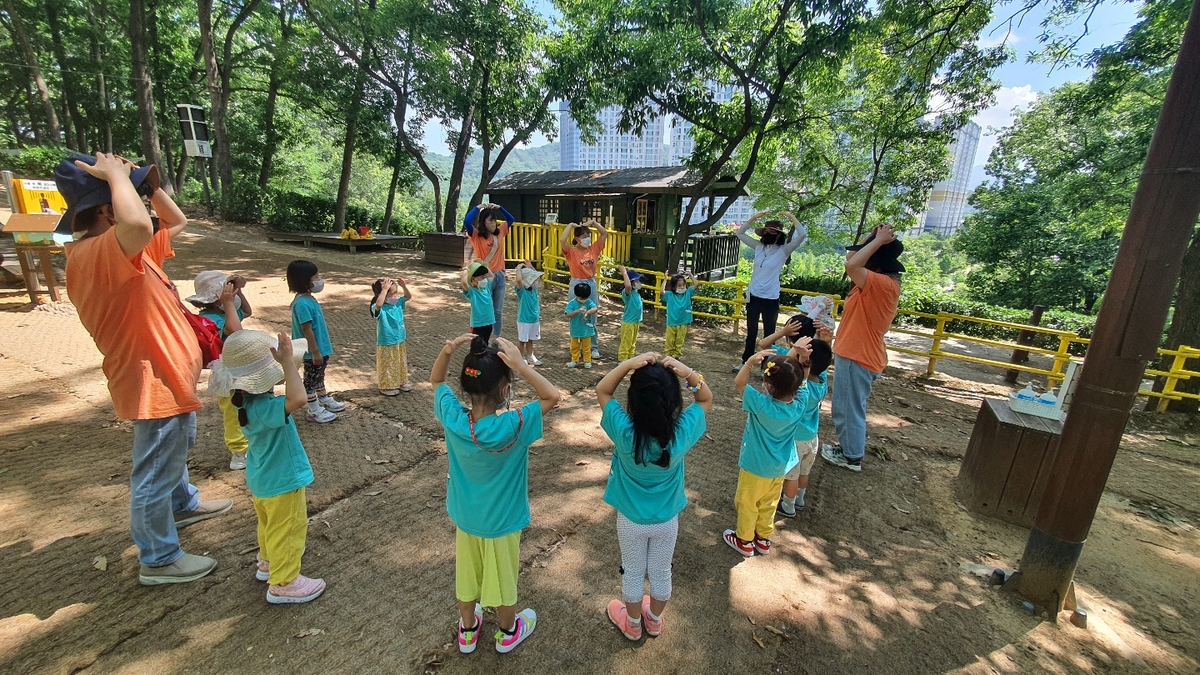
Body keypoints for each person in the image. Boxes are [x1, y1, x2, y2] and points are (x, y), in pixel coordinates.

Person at [57, 153, 232, 585]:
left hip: (172, 376)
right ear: (106, 210)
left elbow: (175, 223)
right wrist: (116, 175)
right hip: (152, 380)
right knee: (154, 469)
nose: (140, 203)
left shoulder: (129, 251)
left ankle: (182, 504)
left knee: (172, 452)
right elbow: (136, 225)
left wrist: (147, 183)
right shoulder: (96, 253)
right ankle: (158, 558)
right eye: (129, 195)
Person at [432, 334, 561, 654]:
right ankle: (507, 632)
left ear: (465, 386)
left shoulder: (452, 418)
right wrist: (521, 365)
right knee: (503, 580)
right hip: (503, 522)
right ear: (506, 390)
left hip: (466, 517)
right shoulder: (514, 426)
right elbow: (551, 396)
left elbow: (436, 381)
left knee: (467, 574)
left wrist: (448, 350)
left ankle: (468, 630)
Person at [596, 353, 711, 640]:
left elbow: (603, 390)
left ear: (633, 401)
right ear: (673, 403)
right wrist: (688, 373)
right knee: (661, 572)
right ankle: (655, 620)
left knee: (633, 572)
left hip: (631, 521)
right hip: (666, 520)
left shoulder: (624, 432)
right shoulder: (680, 434)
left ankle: (633, 624)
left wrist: (626, 365)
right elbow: (706, 399)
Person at [214, 330, 325, 604]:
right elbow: (298, 399)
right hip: (281, 480)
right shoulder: (264, 408)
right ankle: (285, 582)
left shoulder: (244, 405)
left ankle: (267, 563)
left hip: (262, 481)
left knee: (269, 526)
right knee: (287, 529)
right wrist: (288, 363)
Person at [821, 224, 904, 473]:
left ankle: (851, 456)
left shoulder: (882, 285)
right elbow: (851, 259)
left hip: (858, 355)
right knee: (848, 406)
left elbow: (851, 265)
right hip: (856, 352)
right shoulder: (874, 283)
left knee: (847, 408)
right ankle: (849, 449)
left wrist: (877, 241)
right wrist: (873, 238)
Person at [725, 351, 806, 557]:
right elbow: (802, 384)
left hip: (755, 465)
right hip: (780, 468)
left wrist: (750, 362)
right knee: (769, 503)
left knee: (747, 502)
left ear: (768, 386)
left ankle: (744, 539)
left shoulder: (761, 405)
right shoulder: (800, 405)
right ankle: (763, 538)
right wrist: (801, 359)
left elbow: (740, 383)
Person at [186, 270, 253, 470]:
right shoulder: (212, 319)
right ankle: (238, 453)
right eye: (229, 290)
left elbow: (248, 312)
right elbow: (235, 331)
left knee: (247, 407)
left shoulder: (227, 311)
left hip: (240, 368)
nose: (233, 294)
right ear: (217, 296)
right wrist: (230, 303)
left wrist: (237, 293)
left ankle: (248, 443)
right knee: (233, 411)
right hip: (227, 373)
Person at [734, 211, 807, 371]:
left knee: (769, 335)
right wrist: (754, 218)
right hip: (753, 297)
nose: (769, 233)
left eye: (773, 232)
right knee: (751, 333)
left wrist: (792, 217)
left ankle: (766, 366)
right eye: (767, 231)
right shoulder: (758, 247)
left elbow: (802, 236)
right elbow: (739, 233)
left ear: (779, 234)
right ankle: (745, 362)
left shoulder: (783, 250)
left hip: (771, 299)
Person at [288, 260, 346, 423]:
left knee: (318, 376)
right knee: (310, 380)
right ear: (304, 280)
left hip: (321, 348)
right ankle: (314, 410)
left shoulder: (307, 299)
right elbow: (307, 329)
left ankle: (323, 398)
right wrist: (314, 351)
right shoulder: (302, 304)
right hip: (313, 351)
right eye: (316, 277)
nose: (319, 280)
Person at [779, 339, 831, 517]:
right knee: (804, 472)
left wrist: (795, 350)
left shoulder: (800, 388)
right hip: (811, 439)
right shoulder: (822, 383)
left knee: (791, 476)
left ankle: (788, 505)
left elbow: (783, 367)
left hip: (795, 440)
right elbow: (819, 364)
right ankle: (800, 499)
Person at [463, 203, 514, 337]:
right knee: (485, 309)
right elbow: (466, 221)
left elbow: (511, 219)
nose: (494, 223)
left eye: (495, 220)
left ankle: (496, 339)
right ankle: (482, 338)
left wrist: (500, 208)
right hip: (484, 278)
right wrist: (478, 208)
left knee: (497, 311)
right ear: (483, 222)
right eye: (490, 220)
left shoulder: (500, 232)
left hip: (500, 276)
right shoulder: (476, 235)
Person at [559, 220, 607, 359]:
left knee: (592, 313)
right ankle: (576, 346)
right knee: (575, 313)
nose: (587, 238)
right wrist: (571, 225)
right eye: (584, 236)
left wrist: (594, 222)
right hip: (576, 282)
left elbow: (604, 234)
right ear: (577, 239)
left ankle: (593, 347)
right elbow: (563, 239)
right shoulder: (572, 252)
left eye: (588, 235)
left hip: (590, 282)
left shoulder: (594, 249)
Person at [371, 275, 413, 395]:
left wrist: (404, 286)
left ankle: (400, 381)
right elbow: (378, 305)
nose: (395, 296)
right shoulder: (378, 307)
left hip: (399, 338)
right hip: (386, 341)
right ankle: (386, 386)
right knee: (388, 363)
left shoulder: (398, 303)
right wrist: (384, 290)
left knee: (400, 361)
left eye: (396, 293)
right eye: (392, 294)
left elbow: (408, 296)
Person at [513, 261, 544, 366]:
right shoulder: (522, 291)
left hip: (534, 320)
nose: (536, 282)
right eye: (533, 280)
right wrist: (518, 269)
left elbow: (538, 277)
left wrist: (532, 268)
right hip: (524, 320)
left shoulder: (534, 290)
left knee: (531, 340)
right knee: (522, 341)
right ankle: (519, 358)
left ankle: (531, 356)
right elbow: (518, 280)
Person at [661, 272, 698, 359]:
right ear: (674, 287)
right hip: (672, 322)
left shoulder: (688, 293)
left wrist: (690, 275)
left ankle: (677, 356)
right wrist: (665, 279)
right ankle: (668, 355)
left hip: (683, 322)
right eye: (679, 285)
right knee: (670, 340)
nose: (682, 287)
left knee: (679, 340)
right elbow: (662, 291)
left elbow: (696, 284)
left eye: (683, 285)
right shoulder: (670, 295)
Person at [565, 282, 599, 369]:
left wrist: (587, 312)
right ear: (577, 296)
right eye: (582, 299)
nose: (584, 301)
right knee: (574, 347)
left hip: (586, 330)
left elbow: (595, 309)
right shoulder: (572, 303)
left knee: (586, 347)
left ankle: (587, 361)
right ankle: (574, 360)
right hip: (575, 329)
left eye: (585, 298)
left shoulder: (589, 302)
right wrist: (577, 311)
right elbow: (568, 314)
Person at [462, 261, 496, 344]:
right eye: (482, 277)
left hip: (489, 321)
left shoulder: (486, 287)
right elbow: (464, 282)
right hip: (478, 323)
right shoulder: (472, 292)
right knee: (476, 344)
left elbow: (492, 275)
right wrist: (466, 268)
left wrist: (482, 263)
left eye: (485, 276)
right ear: (473, 278)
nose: (485, 279)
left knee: (485, 342)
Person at [617, 266, 645, 361]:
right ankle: (622, 359)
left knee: (633, 342)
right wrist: (624, 273)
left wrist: (628, 272)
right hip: (628, 322)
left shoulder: (636, 293)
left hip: (635, 322)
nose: (638, 282)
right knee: (626, 341)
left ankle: (630, 358)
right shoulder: (627, 293)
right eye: (636, 280)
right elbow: (628, 286)